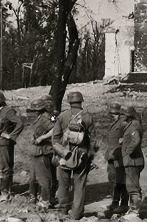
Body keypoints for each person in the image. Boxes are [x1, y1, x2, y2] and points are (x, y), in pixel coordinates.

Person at [52, 91, 97, 220]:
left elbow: (55, 138)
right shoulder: (88, 116)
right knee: (80, 185)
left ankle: (62, 211)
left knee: (63, 184)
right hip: (82, 155)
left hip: (64, 154)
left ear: (69, 102)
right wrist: (90, 155)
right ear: (81, 101)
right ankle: (76, 214)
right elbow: (93, 140)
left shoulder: (62, 116)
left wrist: (60, 153)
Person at [0, 91, 25, 202]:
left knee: (5, 168)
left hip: (3, 144)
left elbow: (20, 123)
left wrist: (10, 136)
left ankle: (5, 191)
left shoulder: (8, 111)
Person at [100, 102, 128, 217]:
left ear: (120, 113)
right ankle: (115, 202)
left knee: (121, 181)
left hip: (119, 156)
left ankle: (124, 203)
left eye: (115, 113)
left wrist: (123, 140)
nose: (112, 115)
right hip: (111, 156)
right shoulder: (114, 123)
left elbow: (130, 136)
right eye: (111, 113)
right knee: (113, 180)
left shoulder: (123, 123)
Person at [27, 98, 55, 208]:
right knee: (33, 177)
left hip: (42, 151)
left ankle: (45, 201)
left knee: (43, 178)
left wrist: (42, 138)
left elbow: (55, 129)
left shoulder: (47, 117)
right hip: (36, 150)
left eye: (36, 109)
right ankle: (34, 197)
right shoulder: (40, 117)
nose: (34, 111)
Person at [121, 106, 144, 216]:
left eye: (123, 115)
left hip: (132, 161)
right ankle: (133, 208)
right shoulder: (134, 124)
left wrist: (126, 151)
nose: (121, 117)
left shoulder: (133, 125)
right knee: (132, 186)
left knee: (132, 187)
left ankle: (135, 211)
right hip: (133, 160)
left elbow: (136, 140)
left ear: (127, 116)